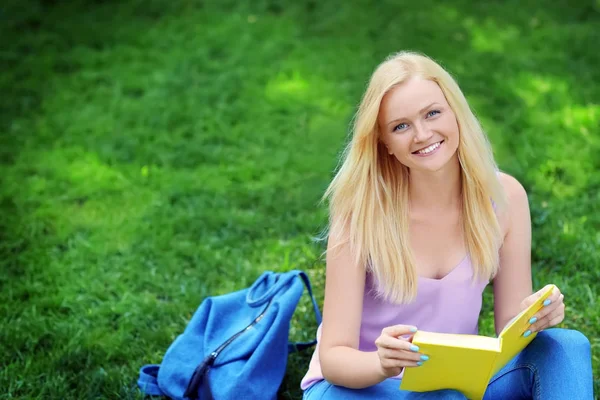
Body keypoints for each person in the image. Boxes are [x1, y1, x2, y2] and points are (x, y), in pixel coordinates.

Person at [300, 51, 593, 399]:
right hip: (362, 385)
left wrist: (537, 317)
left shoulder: (505, 197)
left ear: (456, 113)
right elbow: (334, 357)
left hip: (452, 382)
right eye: (401, 126)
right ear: (385, 144)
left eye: (433, 113)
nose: (422, 134)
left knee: (565, 346)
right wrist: (381, 363)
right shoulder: (360, 214)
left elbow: (510, 332)